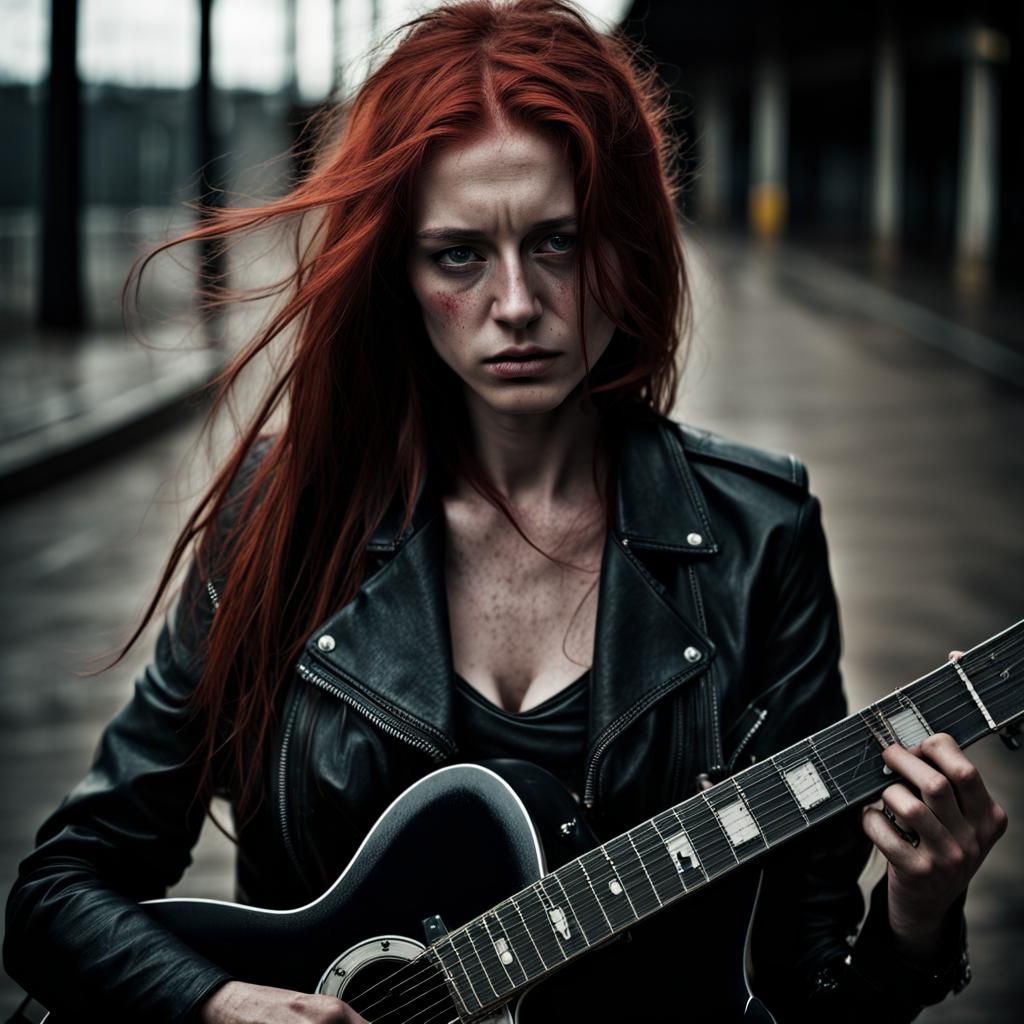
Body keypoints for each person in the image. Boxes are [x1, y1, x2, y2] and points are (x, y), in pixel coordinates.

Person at [4, 1, 1007, 1022]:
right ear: (399, 273)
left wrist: (916, 917)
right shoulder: (284, 513)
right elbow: (58, 895)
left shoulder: (759, 540)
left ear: (625, 250)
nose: (518, 302)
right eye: (459, 255)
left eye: (558, 243)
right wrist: (216, 1003)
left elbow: (809, 990)